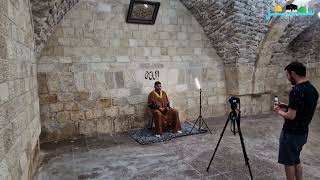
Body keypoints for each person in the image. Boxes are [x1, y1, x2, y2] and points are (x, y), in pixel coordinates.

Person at [273, 61, 319, 180]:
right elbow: (302, 109)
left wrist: (278, 110)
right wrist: (287, 105)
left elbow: (291, 116)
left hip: (291, 133)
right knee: (296, 159)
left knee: (289, 162)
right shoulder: (313, 90)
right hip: (303, 132)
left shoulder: (296, 91)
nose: (288, 78)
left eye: (287, 75)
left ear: (293, 73)